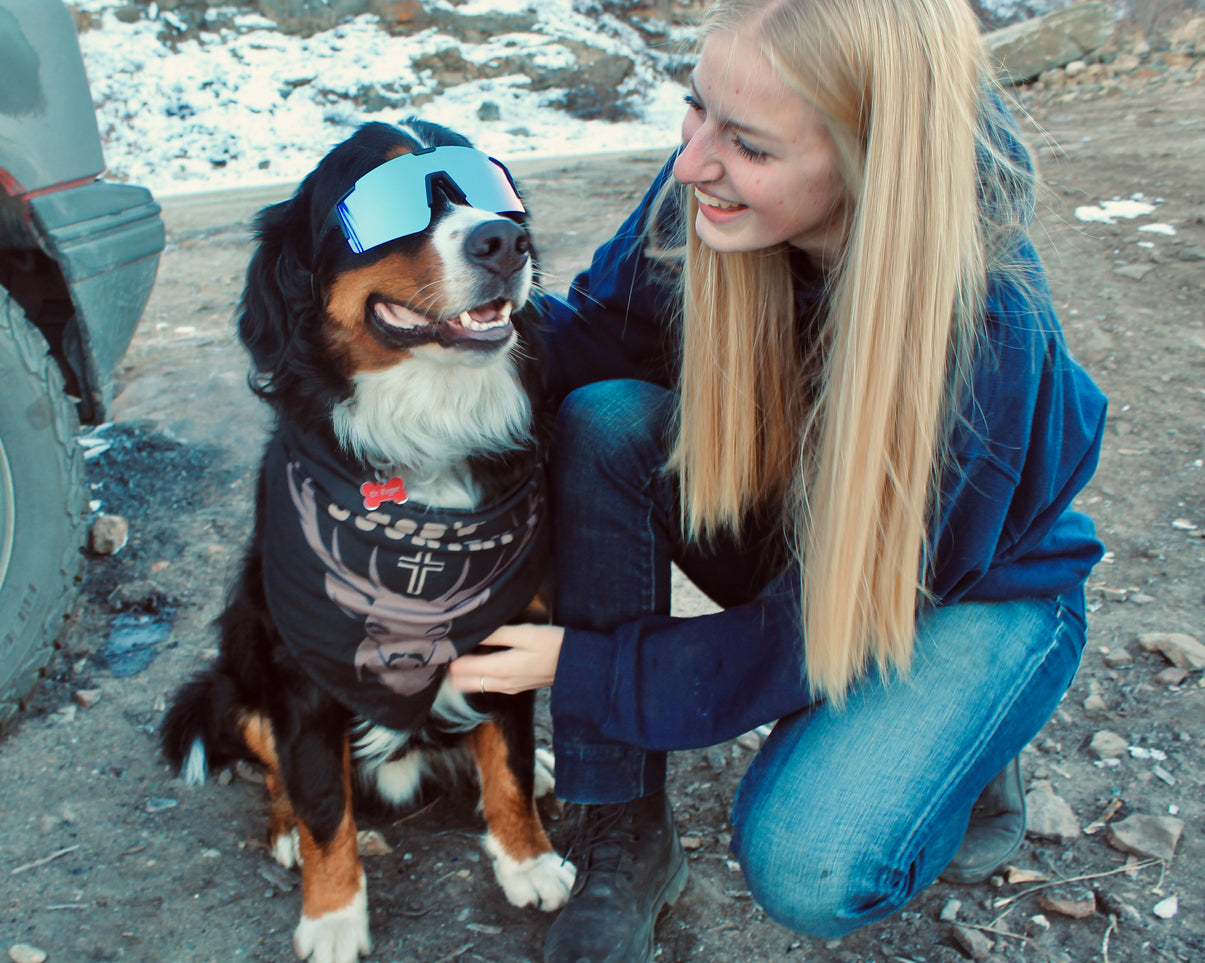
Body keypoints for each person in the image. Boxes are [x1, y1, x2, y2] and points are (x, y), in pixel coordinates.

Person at [447, 1, 1108, 960]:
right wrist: (403, 373)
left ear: (867, 161)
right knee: (607, 422)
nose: (690, 163)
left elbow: (813, 629)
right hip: (804, 523)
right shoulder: (705, 194)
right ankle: (623, 833)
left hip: (963, 587)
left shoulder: (989, 334)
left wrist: (580, 663)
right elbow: (587, 342)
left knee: (809, 864)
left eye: (747, 145)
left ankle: (970, 730)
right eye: (694, 108)